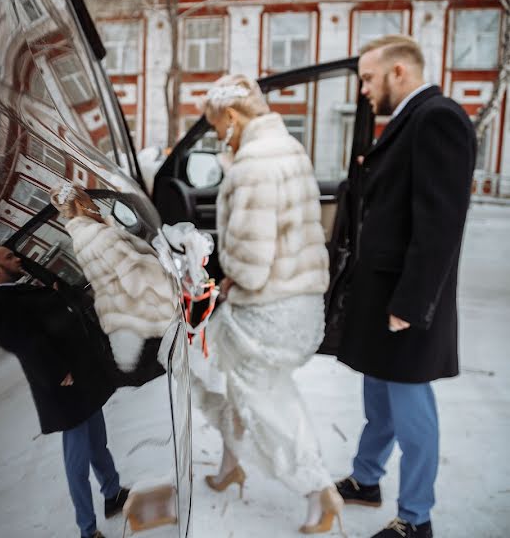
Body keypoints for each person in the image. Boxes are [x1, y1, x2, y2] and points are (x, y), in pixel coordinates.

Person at [335, 35, 476, 538]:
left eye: (368, 79)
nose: (364, 90)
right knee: (378, 398)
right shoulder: (408, 121)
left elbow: (440, 223)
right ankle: (367, 479)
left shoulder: (438, 118)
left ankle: (416, 518)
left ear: (399, 72)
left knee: (411, 411)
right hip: (383, 296)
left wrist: (413, 303)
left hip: (406, 301)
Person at [193, 74, 344, 534]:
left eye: (218, 126)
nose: (220, 135)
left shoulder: (253, 164)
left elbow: (251, 260)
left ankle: (320, 491)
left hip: (266, 309)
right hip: (298, 302)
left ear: (234, 117)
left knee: (264, 399)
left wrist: (221, 271)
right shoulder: (289, 149)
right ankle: (229, 465)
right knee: (221, 375)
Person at [0, 245, 129, 538]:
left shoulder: (17, 292)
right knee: (77, 462)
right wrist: (57, 372)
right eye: (8, 257)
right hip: (62, 385)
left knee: (98, 442)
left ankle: (113, 494)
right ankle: (87, 529)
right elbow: (24, 343)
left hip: (79, 375)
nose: (17, 259)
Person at [49, 183, 177, 375]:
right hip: (154, 317)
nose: (98, 206)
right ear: (83, 205)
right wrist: (172, 274)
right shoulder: (102, 235)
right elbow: (139, 278)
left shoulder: (81, 241)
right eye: (91, 201)